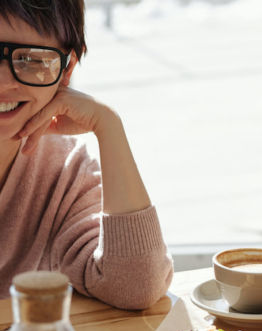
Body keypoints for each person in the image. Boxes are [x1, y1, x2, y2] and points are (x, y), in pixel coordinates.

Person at [0, 0, 173, 309]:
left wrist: (107, 126)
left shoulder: (64, 172)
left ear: (66, 69)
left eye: (30, 59)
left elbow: (136, 286)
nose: (3, 81)